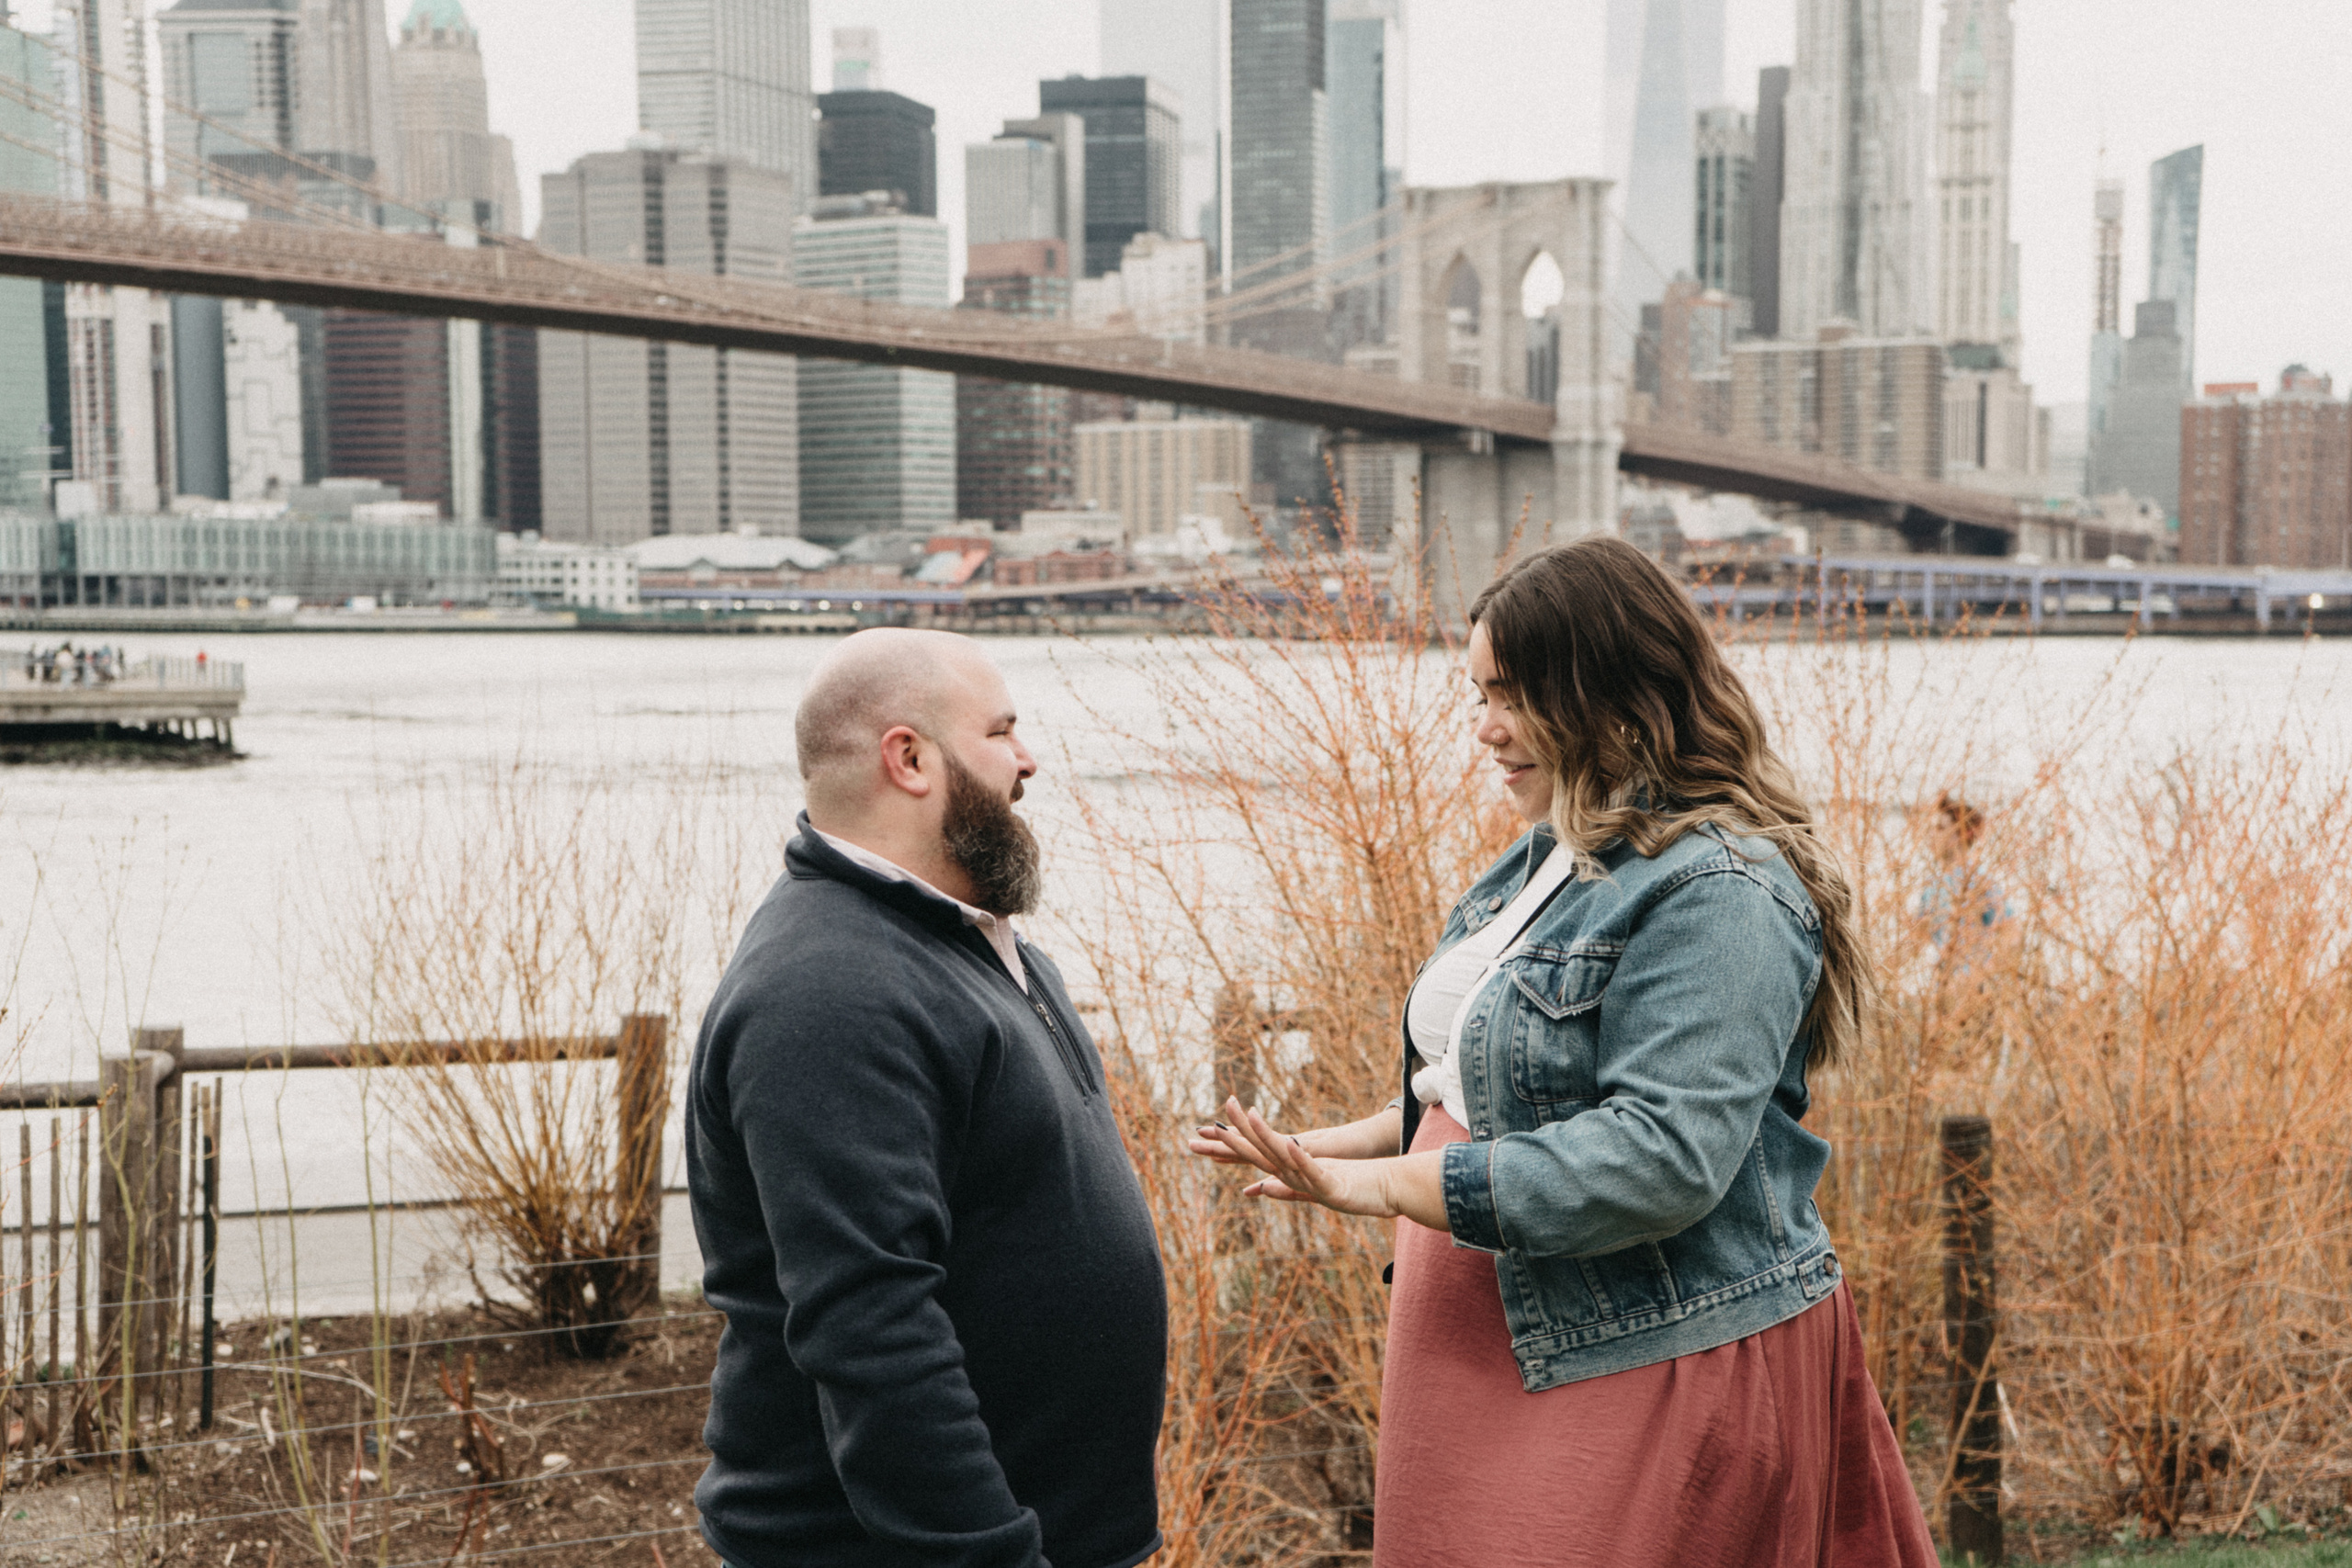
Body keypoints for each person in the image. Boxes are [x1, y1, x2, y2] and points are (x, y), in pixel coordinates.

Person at [1191, 539, 1937, 1568]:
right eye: (1480, 696)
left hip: (1643, 1350)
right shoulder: (1551, 851)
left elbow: (1663, 1157)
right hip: (1492, 1339)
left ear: (1612, 692)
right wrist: (1341, 1149)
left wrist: (1387, 1188)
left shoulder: (1723, 888)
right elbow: (1484, 1083)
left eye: (1514, 697)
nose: (1485, 729)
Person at [686, 627, 1167, 1568]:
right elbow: (871, 1329)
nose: (1028, 759)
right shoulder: (829, 990)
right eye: (1001, 731)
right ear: (908, 758)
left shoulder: (966, 946)